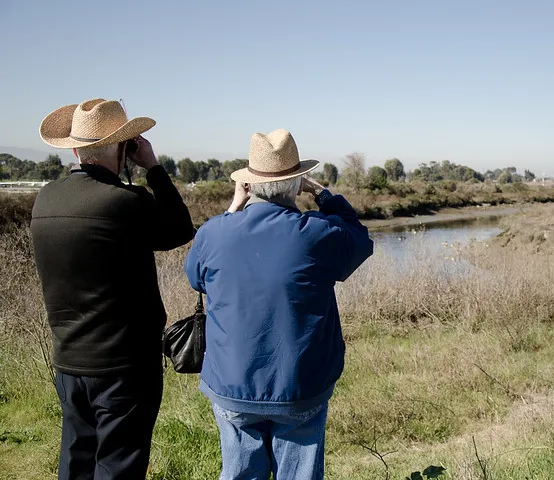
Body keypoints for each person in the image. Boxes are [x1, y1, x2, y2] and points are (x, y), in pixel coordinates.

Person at [184, 129, 373, 480]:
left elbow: (195, 276)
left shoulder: (214, 233)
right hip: (299, 384)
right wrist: (325, 195)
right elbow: (360, 240)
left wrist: (233, 206)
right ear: (297, 184)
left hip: (232, 383)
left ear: (249, 184)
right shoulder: (316, 234)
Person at [30, 98, 195, 479]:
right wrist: (152, 167)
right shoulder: (125, 202)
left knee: (76, 458)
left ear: (73, 147)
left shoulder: (45, 199)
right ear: (123, 148)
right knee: (119, 465)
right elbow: (180, 229)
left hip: (68, 358)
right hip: (124, 365)